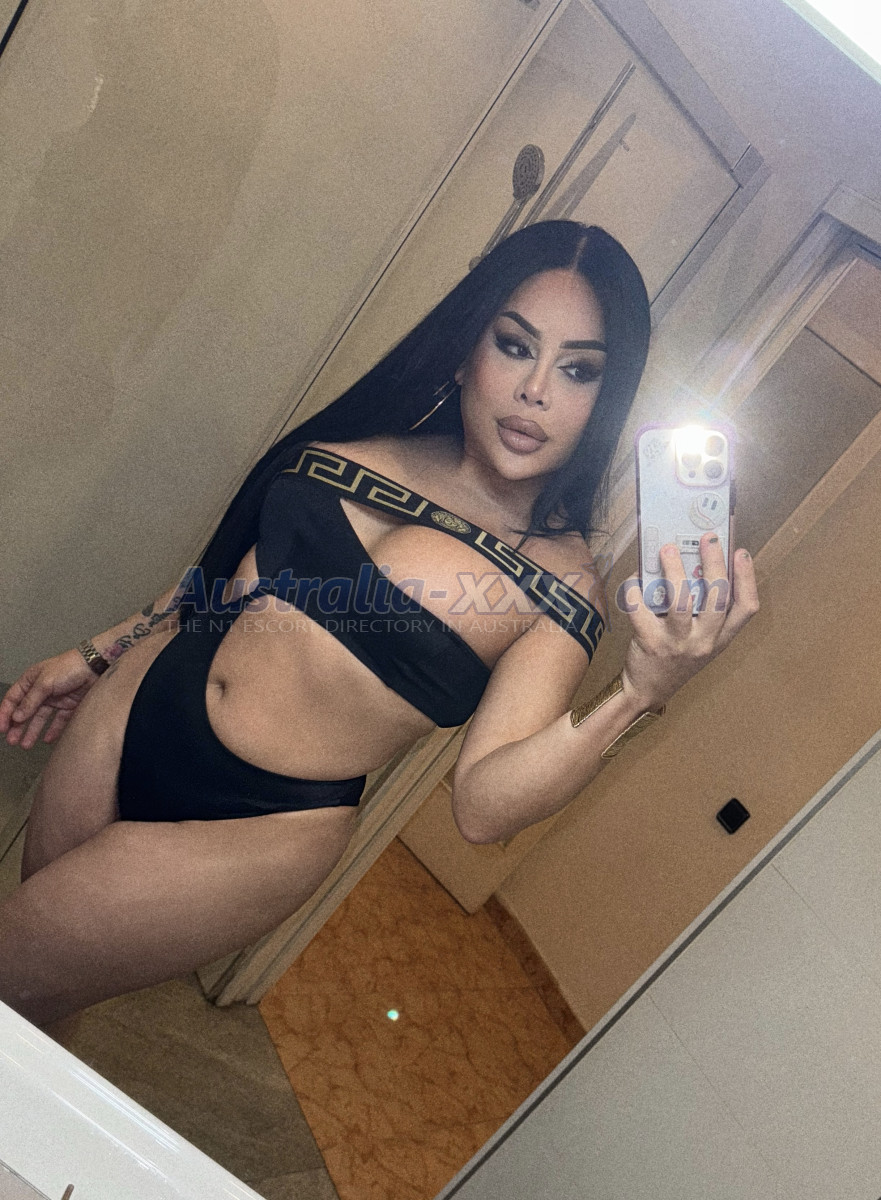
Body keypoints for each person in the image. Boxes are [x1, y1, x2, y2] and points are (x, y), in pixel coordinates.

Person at [0, 221, 758, 1027]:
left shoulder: (558, 587)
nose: (536, 389)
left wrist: (638, 693)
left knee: (13, 970)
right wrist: (100, 653)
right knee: (33, 1008)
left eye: (577, 369)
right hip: (136, 703)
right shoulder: (358, 445)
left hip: (258, 826)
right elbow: (221, 580)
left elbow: (482, 808)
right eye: (513, 346)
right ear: (466, 351)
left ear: (605, 398)